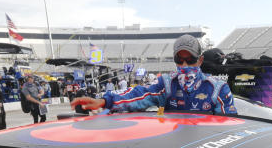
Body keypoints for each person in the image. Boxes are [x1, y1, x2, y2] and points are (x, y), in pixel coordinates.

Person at [72, 35, 237, 115]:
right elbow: (140, 94)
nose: (185, 65)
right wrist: (104, 101)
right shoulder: (167, 84)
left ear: (200, 60)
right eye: (180, 59)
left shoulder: (218, 89)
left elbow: (228, 128)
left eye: (190, 59)